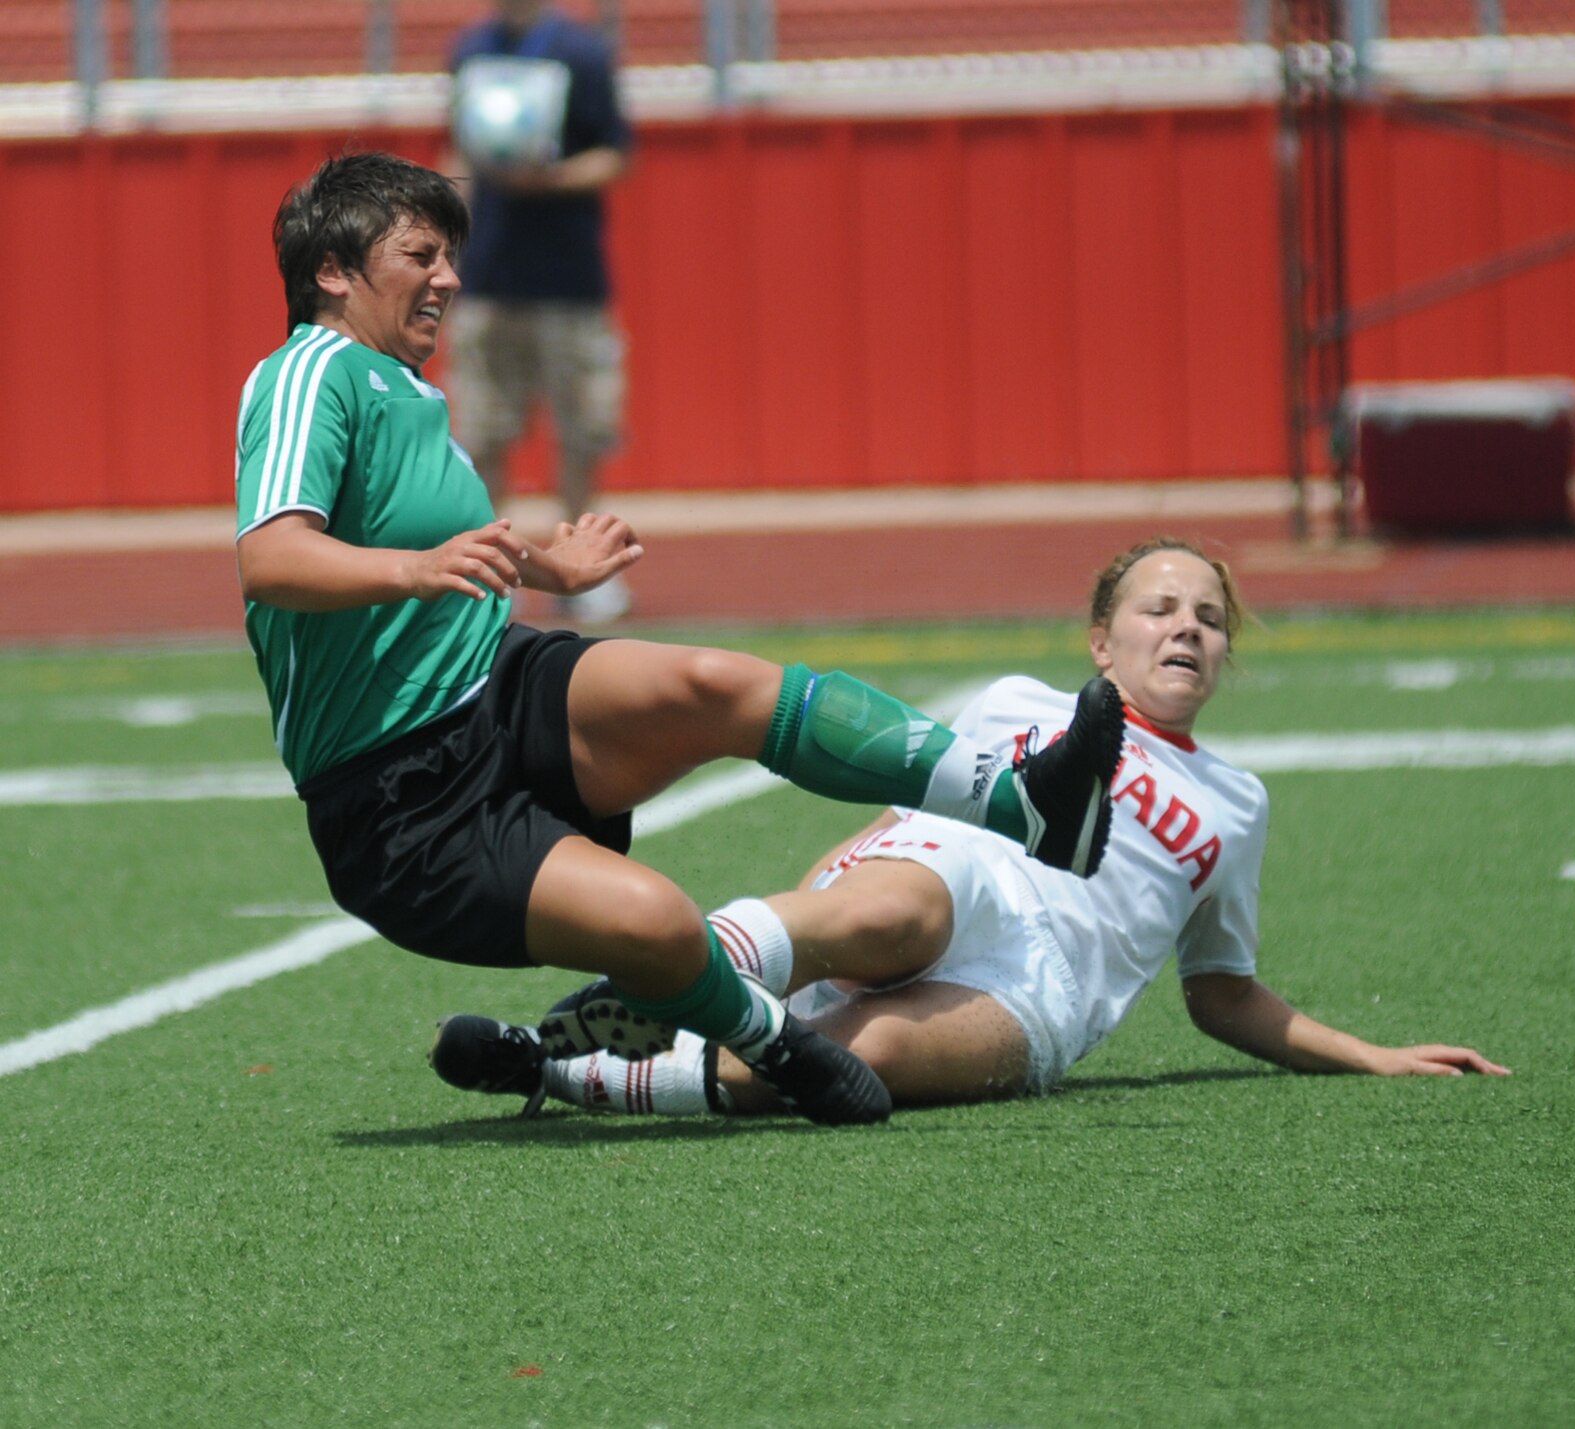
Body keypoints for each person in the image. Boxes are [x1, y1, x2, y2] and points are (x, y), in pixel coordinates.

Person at [234, 151, 1125, 1127]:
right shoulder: (307, 373)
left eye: (450, 254)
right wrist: (415, 570)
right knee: (654, 919)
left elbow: (437, 541)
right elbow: (274, 557)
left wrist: (548, 569)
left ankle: (1027, 805)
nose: (447, 277)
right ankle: (771, 1045)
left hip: (496, 682)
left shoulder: (404, 388)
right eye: (420, 254)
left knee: (714, 682)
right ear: (333, 271)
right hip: (400, 800)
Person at [430, 537, 1510, 1121]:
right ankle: (668, 974)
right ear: (1100, 641)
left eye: (1209, 617)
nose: (1186, 625)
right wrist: (811, 933)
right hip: (956, 881)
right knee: (898, 905)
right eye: (1158, 607)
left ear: (1224, 655)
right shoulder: (1012, 706)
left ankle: (556, 1070)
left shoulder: (1237, 802)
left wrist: (1371, 1057)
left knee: (873, 1055)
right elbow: (893, 828)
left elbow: (1218, 992)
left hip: (1046, 988)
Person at [446, 0, 634, 624]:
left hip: (567, 280)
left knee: (581, 432)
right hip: (489, 277)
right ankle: (494, 572)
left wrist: (547, 180)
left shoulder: (581, 52)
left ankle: (580, 571)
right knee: (483, 434)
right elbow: (459, 152)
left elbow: (615, 153)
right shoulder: (471, 48)